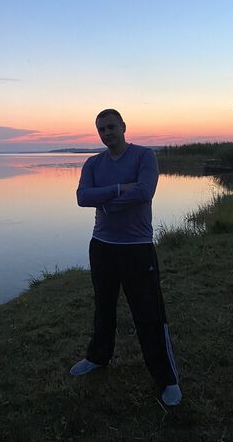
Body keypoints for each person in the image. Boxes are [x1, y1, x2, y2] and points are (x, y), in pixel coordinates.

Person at [70, 109, 181, 406]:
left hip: (137, 247)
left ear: (123, 127)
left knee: (149, 313)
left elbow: (144, 192)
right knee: (103, 307)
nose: (107, 133)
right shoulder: (93, 163)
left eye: (111, 127)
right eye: (101, 129)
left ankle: (166, 379)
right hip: (102, 246)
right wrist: (119, 189)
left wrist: (105, 202)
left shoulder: (144, 156)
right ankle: (98, 357)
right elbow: (82, 197)